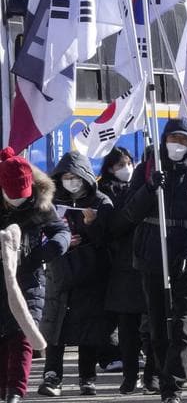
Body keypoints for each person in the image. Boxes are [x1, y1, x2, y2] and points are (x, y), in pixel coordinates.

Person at [118, 120, 187, 403]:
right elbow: (129, 213)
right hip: (153, 255)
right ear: (164, 140)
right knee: (157, 323)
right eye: (173, 138)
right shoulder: (148, 169)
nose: (178, 145)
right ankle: (167, 370)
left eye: (184, 140)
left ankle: (172, 388)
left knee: (182, 323)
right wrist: (149, 189)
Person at [37, 151, 113, 397]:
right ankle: (52, 375)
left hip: (91, 273)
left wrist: (92, 226)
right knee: (55, 324)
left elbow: (111, 239)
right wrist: (62, 241)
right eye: (66, 177)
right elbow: (40, 232)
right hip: (60, 272)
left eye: (75, 176)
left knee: (88, 327)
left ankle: (87, 377)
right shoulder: (51, 201)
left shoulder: (101, 202)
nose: (71, 181)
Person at [0, 149, 69, 403]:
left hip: (29, 276)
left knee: (22, 333)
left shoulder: (40, 202)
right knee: (4, 336)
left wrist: (54, 247)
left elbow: (59, 229)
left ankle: (15, 391)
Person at [98, 148, 154, 394]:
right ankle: (130, 375)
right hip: (125, 267)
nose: (128, 168)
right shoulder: (120, 194)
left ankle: (151, 374)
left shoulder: (165, 192)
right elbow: (116, 227)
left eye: (131, 163)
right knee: (128, 328)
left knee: (154, 326)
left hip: (153, 264)